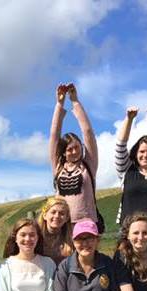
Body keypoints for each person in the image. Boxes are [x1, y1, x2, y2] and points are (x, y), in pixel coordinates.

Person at [49, 83, 99, 225]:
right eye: (70, 149)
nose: (74, 151)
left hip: (86, 224)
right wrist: (59, 103)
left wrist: (75, 101)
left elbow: (88, 132)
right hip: (61, 225)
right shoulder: (58, 166)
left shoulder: (88, 164)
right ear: (63, 153)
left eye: (77, 147)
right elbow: (54, 135)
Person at [38, 196, 73, 264]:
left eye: (62, 213)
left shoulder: (71, 238)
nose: (57, 216)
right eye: (53, 212)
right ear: (45, 215)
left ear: (66, 218)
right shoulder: (36, 236)